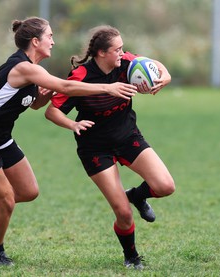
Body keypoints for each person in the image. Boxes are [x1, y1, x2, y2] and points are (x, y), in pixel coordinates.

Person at [0, 18, 139, 267]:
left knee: (28, 191)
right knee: (7, 200)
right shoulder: (24, 68)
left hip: (1, 141)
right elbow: (65, 85)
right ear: (35, 41)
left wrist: (46, 96)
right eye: (50, 36)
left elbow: (33, 104)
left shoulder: (33, 70)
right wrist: (107, 89)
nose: (53, 41)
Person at [44, 25, 175, 270]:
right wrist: (72, 123)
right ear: (102, 53)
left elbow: (156, 64)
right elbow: (51, 112)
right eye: (117, 50)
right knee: (123, 215)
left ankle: (135, 196)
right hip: (95, 148)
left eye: (123, 48)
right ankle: (132, 257)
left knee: (165, 186)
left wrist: (164, 79)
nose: (123, 53)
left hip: (127, 136)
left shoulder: (126, 63)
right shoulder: (81, 76)